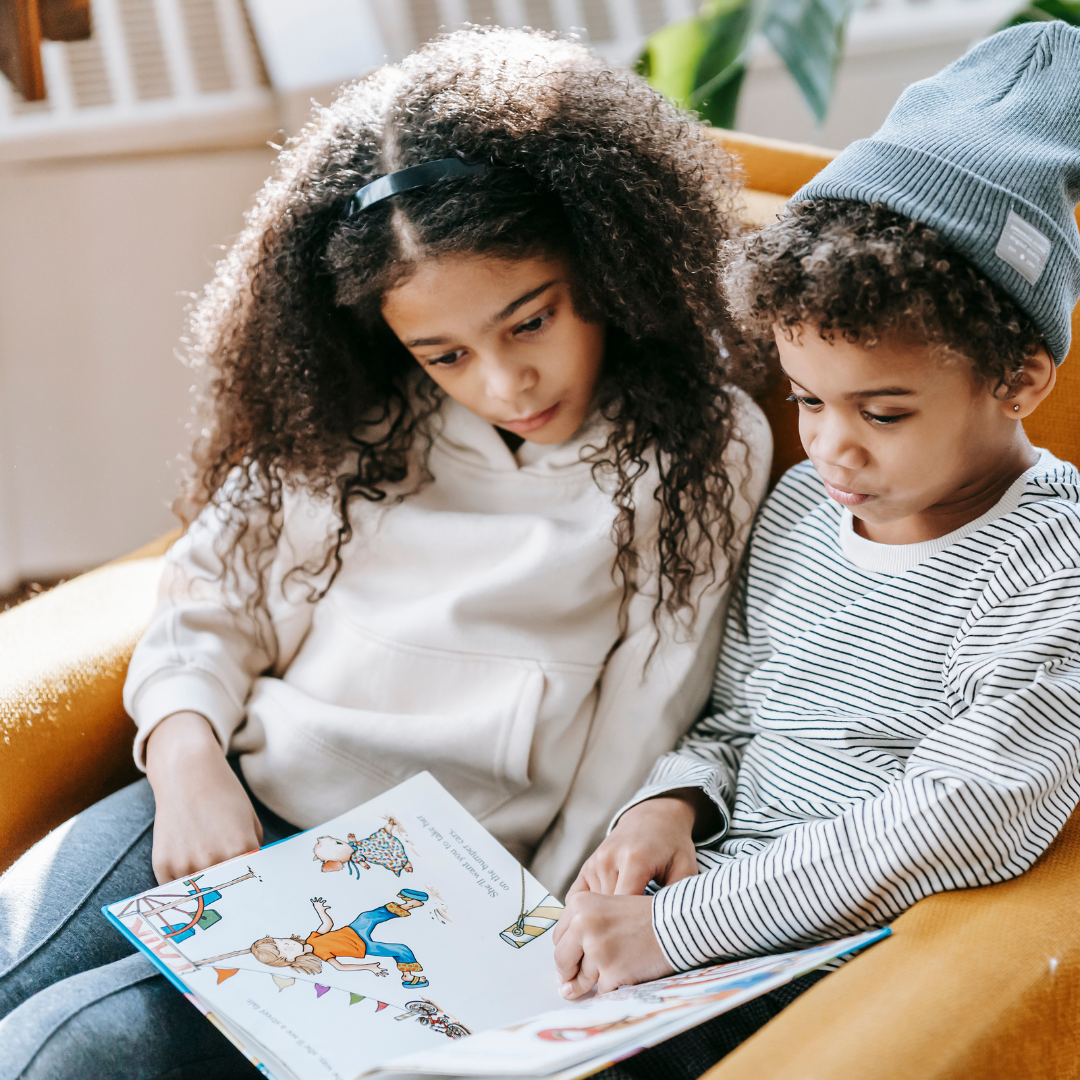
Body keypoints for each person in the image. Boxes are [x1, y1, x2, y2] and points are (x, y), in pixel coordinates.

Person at [0, 26, 770, 1080]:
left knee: (67, 1054)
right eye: (445, 353)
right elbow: (213, 597)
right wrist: (185, 758)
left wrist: (527, 937)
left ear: (601, 259)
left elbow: (648, 713)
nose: (505, 384)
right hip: (230, 797)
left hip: (419, 889)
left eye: (530, 321)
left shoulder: (702, 444)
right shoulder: (361, 413)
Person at [555, 20, 1080, 1080]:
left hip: (835, 966)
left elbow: (967, 817)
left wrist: (680, 931)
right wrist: (672, 803)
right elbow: (742, 715)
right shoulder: (801, 509)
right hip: (700, 925)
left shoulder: (1054, 558)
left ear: (1020, 378)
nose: (829, 446)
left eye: (882, 413)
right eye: (805, 399)